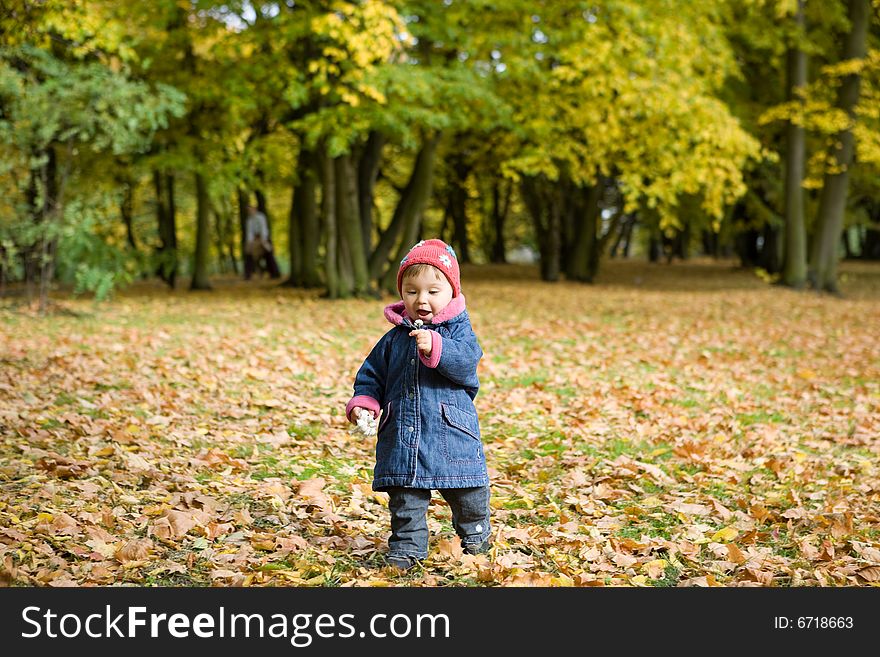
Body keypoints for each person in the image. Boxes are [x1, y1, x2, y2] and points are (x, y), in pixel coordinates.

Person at [345, 239, 491, 572]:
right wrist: (365, 402)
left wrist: (436, 345)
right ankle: (407, 549)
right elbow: (372, 375)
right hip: (403, 433)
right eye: (411, 292)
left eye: (432, 291)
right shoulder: (394, 339)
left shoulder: (459, 332)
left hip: (451, 431)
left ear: (452, 292)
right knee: (406, 497)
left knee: (467, 492)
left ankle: (476, 538)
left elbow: (467, 363)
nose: (421, 300)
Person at [244, 204, 280, 279]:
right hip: (254, 240)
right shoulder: (249, 220)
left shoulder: (261, 217)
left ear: (254, 209)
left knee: (269, 255)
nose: (249, 212)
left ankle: (275, 273)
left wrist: (263, 240)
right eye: (248, 210)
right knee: (249, 254)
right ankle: (247, 275)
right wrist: (250, 242)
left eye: (250, 209)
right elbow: (249, 232)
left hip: (264, 238)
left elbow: (264, 228)